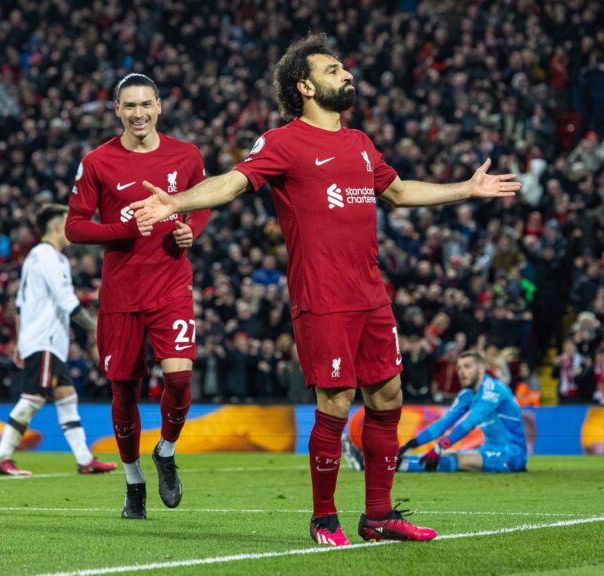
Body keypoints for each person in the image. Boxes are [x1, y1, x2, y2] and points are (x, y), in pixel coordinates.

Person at [130, 33, 519, 546]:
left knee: (389, 396)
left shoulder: (360, 143)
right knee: (336, 401)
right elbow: (233, 181)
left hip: (371, 294)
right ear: (305, 86)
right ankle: (324, 519)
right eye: (333, 70)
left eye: (343, 67)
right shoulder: (283, 142)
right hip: (322, 297)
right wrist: (176, 202)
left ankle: (378, 516)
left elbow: (400, 192)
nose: (346, 74)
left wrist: (465, 188)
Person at [65, 73, 210, 519]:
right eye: (129, 106)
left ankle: (166, 449)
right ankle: (133, 483)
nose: (139, 113)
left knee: (179, 379)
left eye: (146, 104)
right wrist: (123, 229)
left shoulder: (187, 155)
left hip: (171, 286)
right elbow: (74, 227)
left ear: (159, 106)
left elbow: (201, 203)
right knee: (124, 392)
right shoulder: (98, 162)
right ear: (117, 110)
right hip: (121, 294)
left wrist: (190, 229)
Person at [0, 204, 117, 476]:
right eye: (70, 223)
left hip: (43, 341)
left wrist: (20, 341)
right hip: (45, 340)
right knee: (33, 398)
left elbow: (20, 304)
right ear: (59, 227)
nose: (74, 229)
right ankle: (1, 456)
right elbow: (66, 301)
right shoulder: (50, 257)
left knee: (67, 397)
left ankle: (85, 460)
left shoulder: (35, 256)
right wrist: (96, 328)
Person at [345, 351, 527, 473]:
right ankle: (381, 462)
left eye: (467, 367)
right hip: (488, 448)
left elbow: (470, 423)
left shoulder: (493, 390)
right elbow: (445, 422)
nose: (461, 372)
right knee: (446, 456)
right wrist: (409, 445)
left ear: (481, 368)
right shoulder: (467, 394)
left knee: (454, 459)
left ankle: (379, 466)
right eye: (459, 368)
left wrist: (440, 447)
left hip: (511, 454)